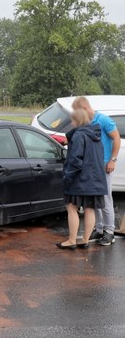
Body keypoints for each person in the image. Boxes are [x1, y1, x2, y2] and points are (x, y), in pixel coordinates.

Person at [72, 96, 120, 246]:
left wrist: (113, 160)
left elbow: (116, 139)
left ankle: (109, 232)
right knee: (94, 200)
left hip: (104, 166)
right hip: (91, 167)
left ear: (84, 108)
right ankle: (98, 229)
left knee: (105, 199)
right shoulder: (86, 122)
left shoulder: (103, 120)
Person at [57, 109, 108, 250]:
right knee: (89, 209)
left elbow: (75, 160)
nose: (71, 123)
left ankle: (72, 240)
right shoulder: (96, 135)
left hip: (79, 179)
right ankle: (85, 240)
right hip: (95, 179)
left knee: (71, 208)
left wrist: (67, 177)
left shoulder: (79, 135)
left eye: (73, 120)